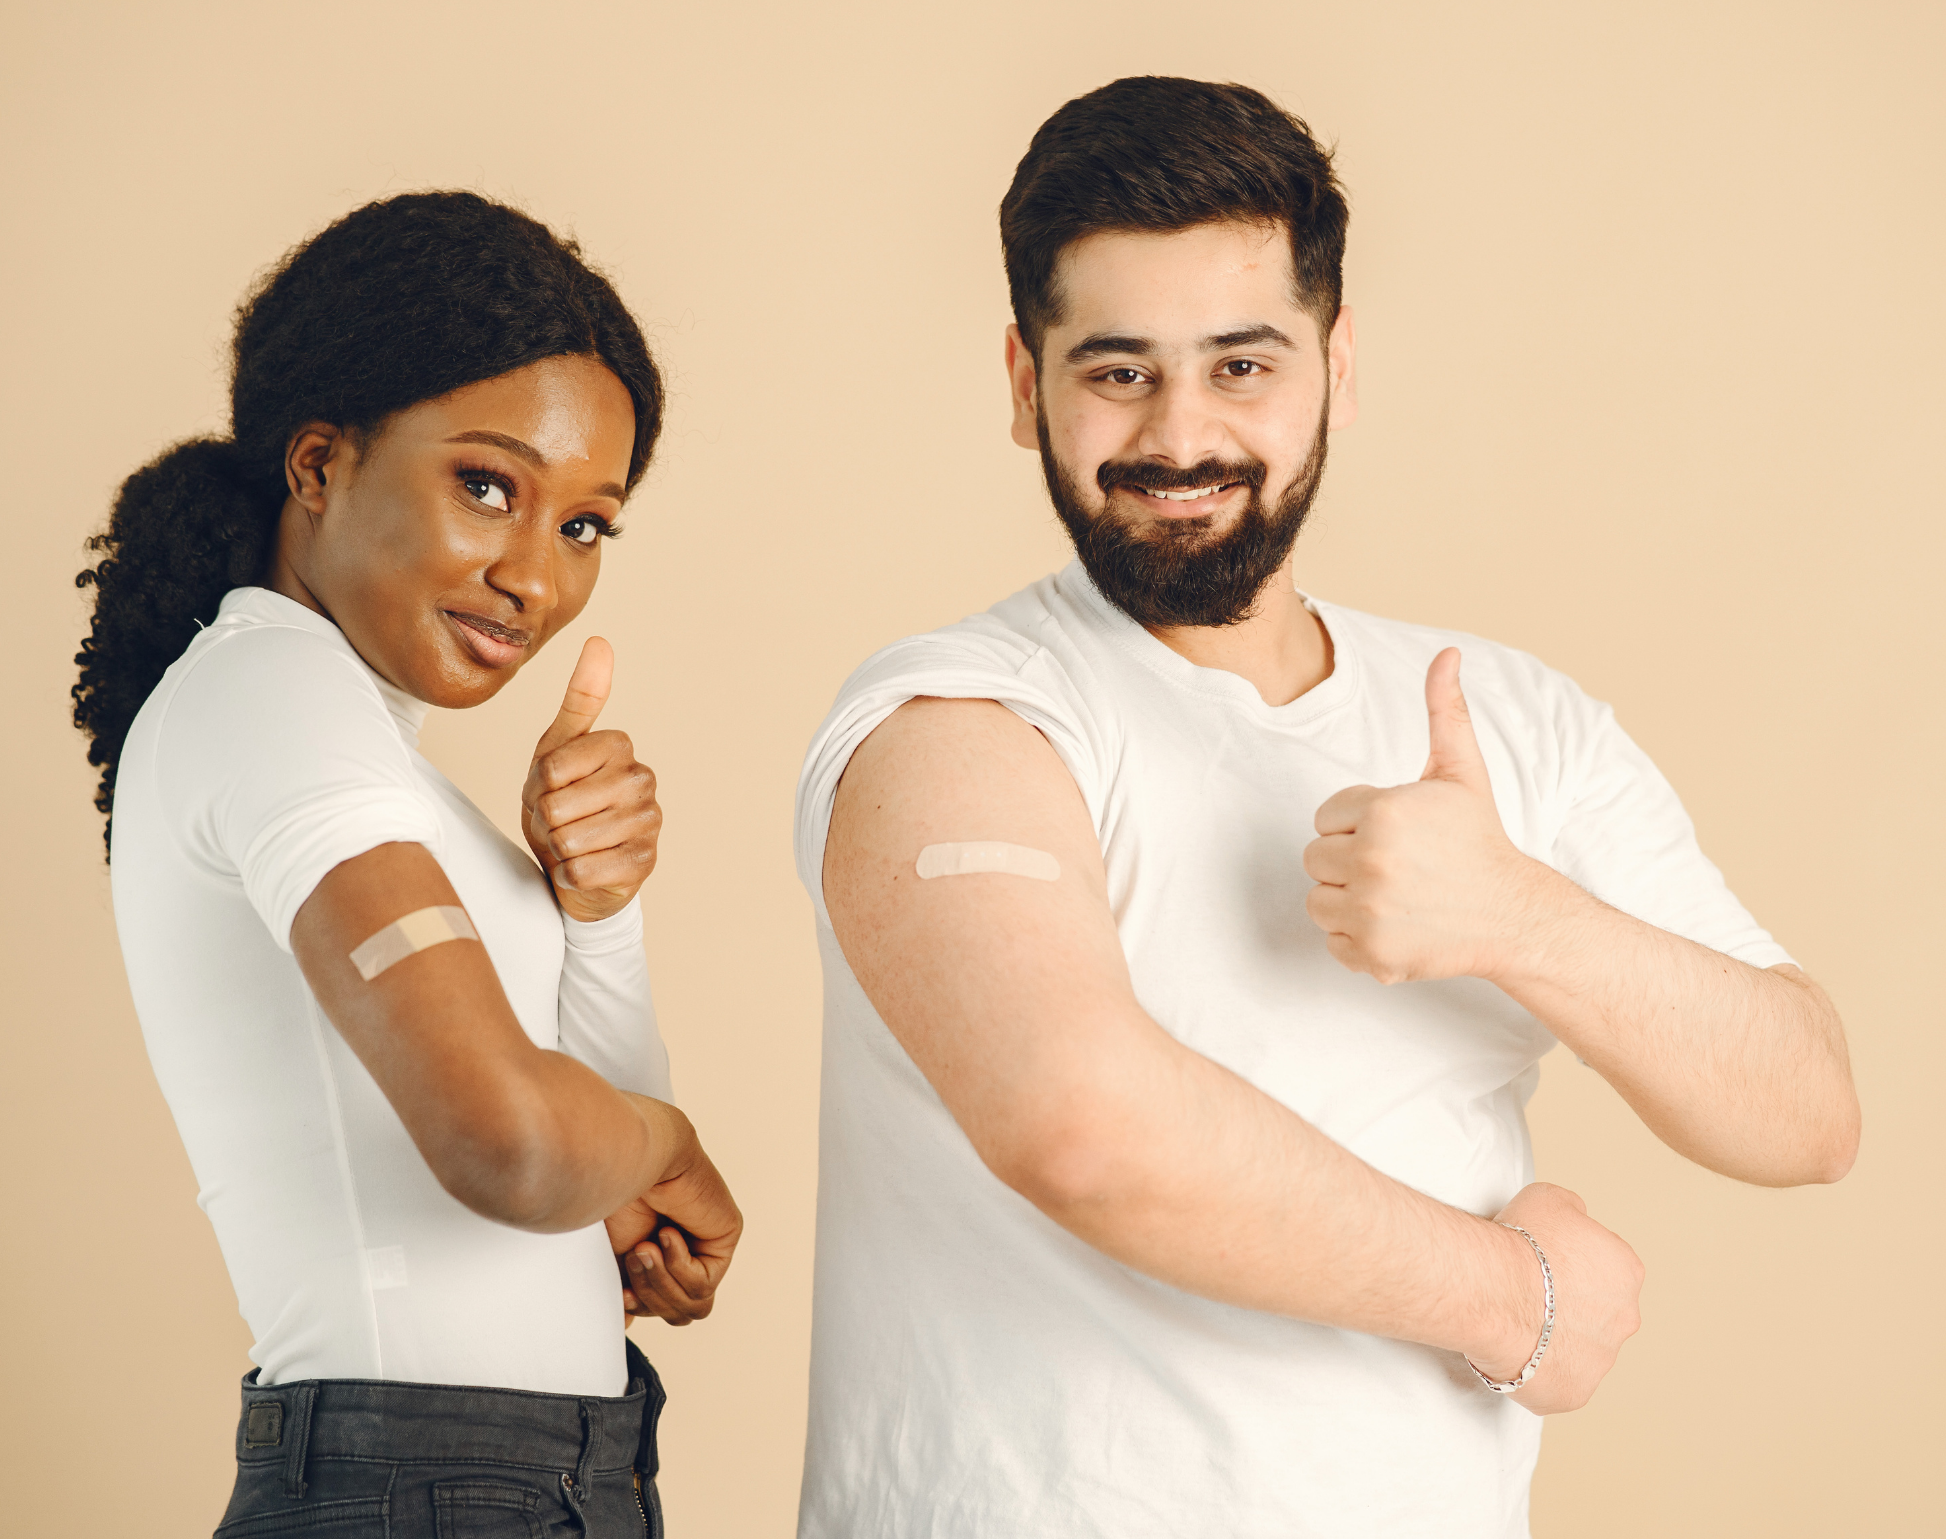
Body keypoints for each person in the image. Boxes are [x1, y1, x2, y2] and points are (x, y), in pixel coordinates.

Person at [793, 77, 1860, 1537]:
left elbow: (1804, 1108)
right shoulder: (954, 723)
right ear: (1020, 379)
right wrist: (1516, 1301)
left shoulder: (1507, 718)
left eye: (1242, 367)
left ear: (1336, 365)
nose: (1180, 436)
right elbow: (1082, 1126)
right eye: (1116, 371)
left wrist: (1518, 915)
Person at [74, 191, 739, 1538]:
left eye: (583, 524)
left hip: (531, 1472)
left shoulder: (368, 762)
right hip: (432, 1486)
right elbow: (506, 1139)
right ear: (319, 462)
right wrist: (663, 1145)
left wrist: (593, 913)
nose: (531, 578)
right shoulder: (276, 700)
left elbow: (591, 1198)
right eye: (486, 486)